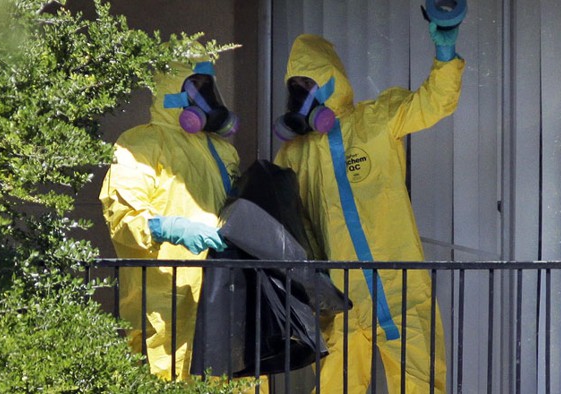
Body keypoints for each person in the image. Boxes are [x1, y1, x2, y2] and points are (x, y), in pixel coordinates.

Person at [271, 17, 465, 394]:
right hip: (340, 298)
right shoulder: (294, 155)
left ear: (333, 79)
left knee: (420, 386)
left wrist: (445, 55)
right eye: (295, 88)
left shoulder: (376, 119)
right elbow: (291, 225)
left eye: (309, 84)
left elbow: (433, 102)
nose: (302, 96)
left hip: (401, 288)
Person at [100, 58, 240, 381]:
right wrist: (168, 228)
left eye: (210, 88)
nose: (209, 98)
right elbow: (122, 216)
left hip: (219, 297)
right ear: (173, 92)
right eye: (198, 88)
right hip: (164, 305)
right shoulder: (140, 145)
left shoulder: (223, 151)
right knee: (166, 377)